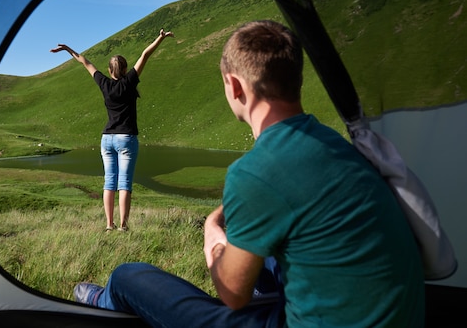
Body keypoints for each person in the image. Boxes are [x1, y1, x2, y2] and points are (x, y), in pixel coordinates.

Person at [71, 20, 425, 327]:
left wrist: (212, 230)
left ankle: (103, 303)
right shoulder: (339, 145)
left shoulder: (256, 171)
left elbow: (231, 293)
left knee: (127, 276)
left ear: (235, 86)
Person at [50, 29, 174, 232]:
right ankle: (123, 226)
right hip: (126, 138)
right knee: (124, 183)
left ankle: (109, 225)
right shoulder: (130, 81)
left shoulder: (104, 84)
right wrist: (160, 38)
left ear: (109, 70)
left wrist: (67, 49)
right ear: (125, 69)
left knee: (109, 182)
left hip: (106, 139)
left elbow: (85, 62)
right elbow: (145, 55)